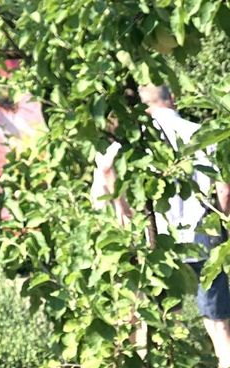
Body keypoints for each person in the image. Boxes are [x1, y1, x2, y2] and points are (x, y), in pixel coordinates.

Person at [91, 84, 230, 367]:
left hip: (157, 240)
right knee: (219, 325)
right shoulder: (202, 134)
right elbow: (225, 191)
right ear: (173, 99)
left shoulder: (135, 142)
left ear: (143, 107)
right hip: (203, 234)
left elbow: (105, 168)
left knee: (165, 320)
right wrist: (221, 221)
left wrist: (123, 212)